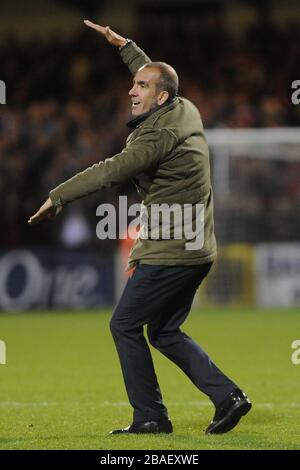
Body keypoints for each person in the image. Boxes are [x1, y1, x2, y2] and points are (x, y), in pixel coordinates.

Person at [28, 21, 251, 435]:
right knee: (164, 331)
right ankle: (228, 397)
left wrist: (57, 196)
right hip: (197, 247)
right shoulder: (185, 110)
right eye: (134, 83)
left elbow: (109, 171)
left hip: (172, 251)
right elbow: (156, 73)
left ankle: (150, 417)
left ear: (160, 98)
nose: (132, 90)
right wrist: (125, 46)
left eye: (141, 87)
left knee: (124, 325)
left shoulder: (154, 138)